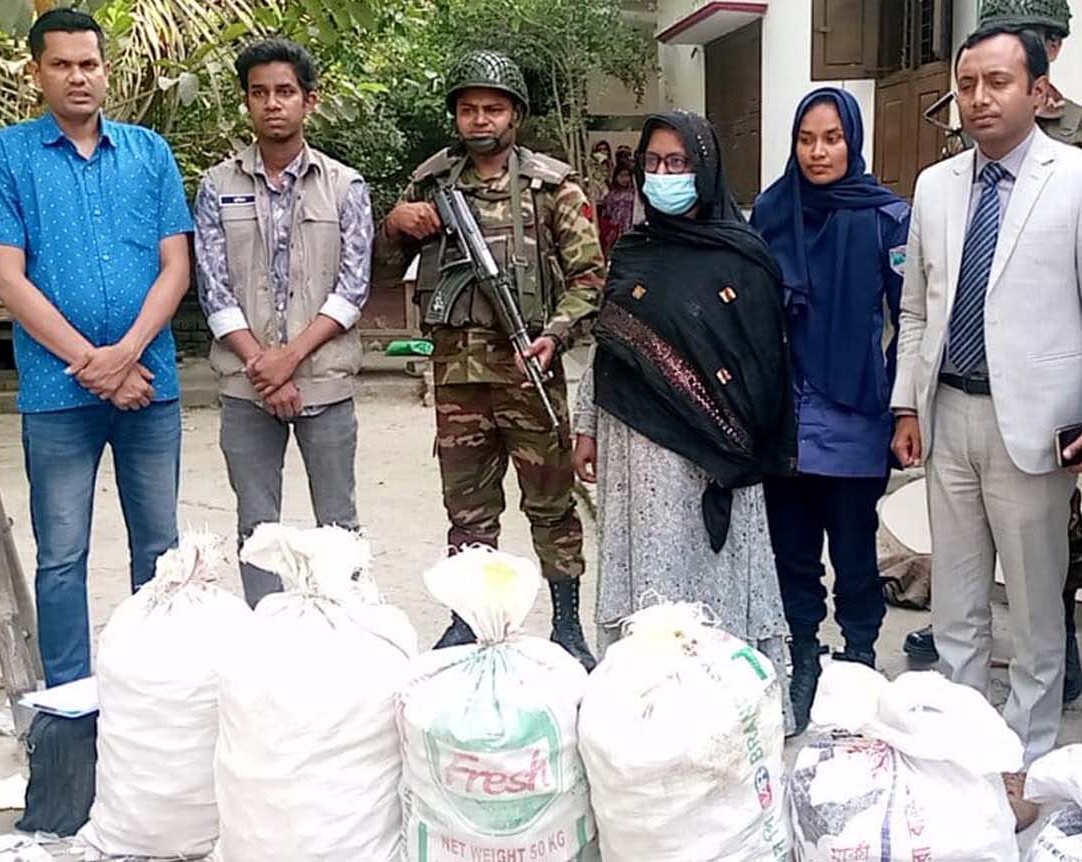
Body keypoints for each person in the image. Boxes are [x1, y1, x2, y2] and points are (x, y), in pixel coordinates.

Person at [889, 26, 1082, 762]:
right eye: (967, 85)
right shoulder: (936, 186)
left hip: (1034, 424)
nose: (979, 98)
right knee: (956, 602)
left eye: (997, 82)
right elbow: (916, 309)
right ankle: (963, 746)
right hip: (948, 414)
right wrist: (907, 404)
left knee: (1032, 607)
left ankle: (1025, 753)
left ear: (1040, 91)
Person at [0, 8, 193, 686]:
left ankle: (157, 687)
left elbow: (176, 266)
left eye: (88, 64)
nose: (77, 76)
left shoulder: (149, 153)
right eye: (60, 65)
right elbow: (8, 279)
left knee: (160, 549)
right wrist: (96, 364)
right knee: (61, 554)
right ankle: (69, 698)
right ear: (37, 72)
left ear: (105, 71)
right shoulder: (5, 157)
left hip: (150, 385)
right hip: (57, 393)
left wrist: (127, 354)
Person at [371, 50, 605, 668]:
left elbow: (589, 279)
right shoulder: (431, 184)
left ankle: (567, 624)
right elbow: (383, 271)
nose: (480, 120)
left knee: (552, 507)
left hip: (529, 372)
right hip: (458, 380)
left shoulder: (553, 187)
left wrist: (555, 334)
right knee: (468, 513)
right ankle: (467, 620)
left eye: (493, 109)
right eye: (469, 109)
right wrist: (395, 225)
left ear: (515, 116)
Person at [571, 109, 796, 729]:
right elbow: (609, 345)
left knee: (712, 589)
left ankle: (723, 717)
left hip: (713, 461)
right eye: (653, 163)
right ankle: (641, 717)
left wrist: (733, 437)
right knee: (648, 579)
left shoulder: (743, 257)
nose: (663, 175)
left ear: (705, 168)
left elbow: (763, 363)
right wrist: (586, 425)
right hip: (635, 453)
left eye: (678, 163)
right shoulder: (635, 250)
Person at [751, 87, 910, 730]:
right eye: (806, 139)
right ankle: (803, 658)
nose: (818, 152)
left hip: (855, 417)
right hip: (783, 419)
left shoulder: (887, 218)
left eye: (832, 138)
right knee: (791, 552)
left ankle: (861, 656)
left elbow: (911, 318)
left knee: (854, 552)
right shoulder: (771, 213)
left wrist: (896, 399)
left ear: (853, 141)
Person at [194, 39, 372, 607]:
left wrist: (288, 359)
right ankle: (264, 632)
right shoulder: (217, 187)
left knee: (338, 524)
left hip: (324, 380)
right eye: (260, 93)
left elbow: (352, 287)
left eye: (285, 92)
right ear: (247, 101)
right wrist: (261, 366)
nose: (273, 104)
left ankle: (345, 627)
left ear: (308, 100)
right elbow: (213, 287)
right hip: (246, 385)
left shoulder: (345, 186)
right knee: (256, 527)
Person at [598, 163, 642, 253]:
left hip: (631, 226)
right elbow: (607, 212)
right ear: (616, 177)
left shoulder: (635, 194)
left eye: (627, 176)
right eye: (621, 176)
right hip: (615, 229)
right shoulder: (611, 195)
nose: (625, 179)